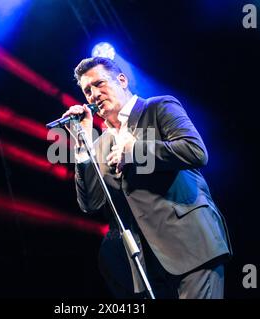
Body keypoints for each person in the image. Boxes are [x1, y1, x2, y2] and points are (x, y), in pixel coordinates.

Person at [61, 57, 232, 299]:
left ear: (121, 80)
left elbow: (195, 151)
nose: (94, 95)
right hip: (148, 267)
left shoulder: (158, 107)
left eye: (99, 84)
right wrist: (83, 144)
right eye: (87, 90)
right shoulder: (100, 146)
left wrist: (134, 150)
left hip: (192, 245)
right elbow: (90, 204)